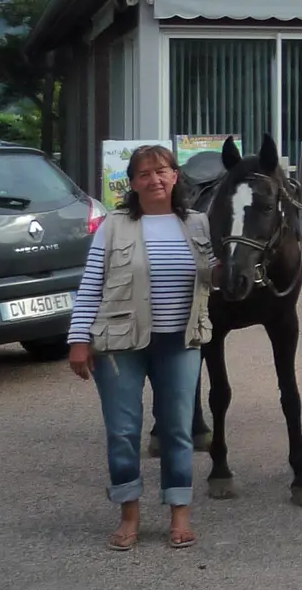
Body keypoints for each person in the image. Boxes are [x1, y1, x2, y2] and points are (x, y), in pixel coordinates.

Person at [66, 145, 215, 551]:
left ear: (175, 176)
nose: (155, 180)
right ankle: (129, 516)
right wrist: (79, 339)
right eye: (145, 174)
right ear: (132, 183)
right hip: (119, 343)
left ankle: (179, 514)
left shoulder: (199, 225)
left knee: (177, 429)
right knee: (123, 431)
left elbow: (215, 278)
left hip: (180, 342)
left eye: (163, 171)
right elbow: (91, 285)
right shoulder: (113, 227)